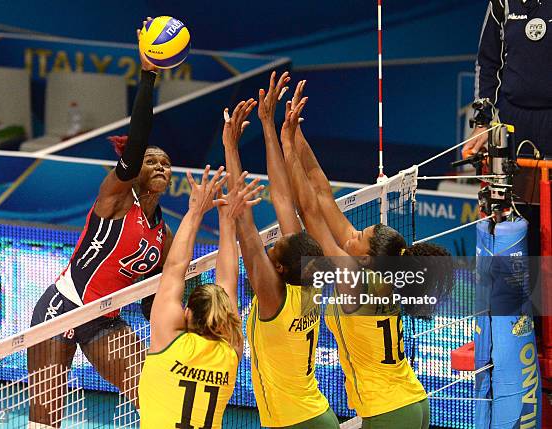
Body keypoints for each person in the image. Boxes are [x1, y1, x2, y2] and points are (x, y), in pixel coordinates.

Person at [281, 82, 453, 429]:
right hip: (411, 401)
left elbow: (309, 211)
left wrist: (285, 144)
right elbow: (321, 190)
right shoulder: (381, 276)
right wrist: (296, 131)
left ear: (365, 259)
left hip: (387, 410)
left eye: (359, 235)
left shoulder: (352, 279)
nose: (352, 233)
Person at [27, 23, 173, 428]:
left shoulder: (162, 232)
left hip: (105, 318)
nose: (159, 165)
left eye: (165, 163)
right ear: (134, 169)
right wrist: (149, 74)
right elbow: (139, 137)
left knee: (154, 393)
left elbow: (153, 300)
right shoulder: (116, 198)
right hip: (61, 310)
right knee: (45, 419)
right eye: (150, 161)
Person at [222, 72, 340, 429]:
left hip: (295, 422)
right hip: (317, 414)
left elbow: (244, 224)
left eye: (275, 247)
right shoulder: (309, 283)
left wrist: (230, 148)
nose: (274, 241)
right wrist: (268, 126)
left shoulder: (272, 295)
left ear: (282, 268)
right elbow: (283, 198)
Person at [139, 166, 263, 429]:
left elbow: (174, 268)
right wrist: (227, 221)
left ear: (187, 314)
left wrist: (196, 210)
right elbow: (227, 282)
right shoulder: (231, 350)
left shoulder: (169, 341)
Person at [463, 0, 552, 257]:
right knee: (517, 215)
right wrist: (482, 123)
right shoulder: (501, 3)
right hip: (514, 123)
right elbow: (487, 63)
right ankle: (522, 291)